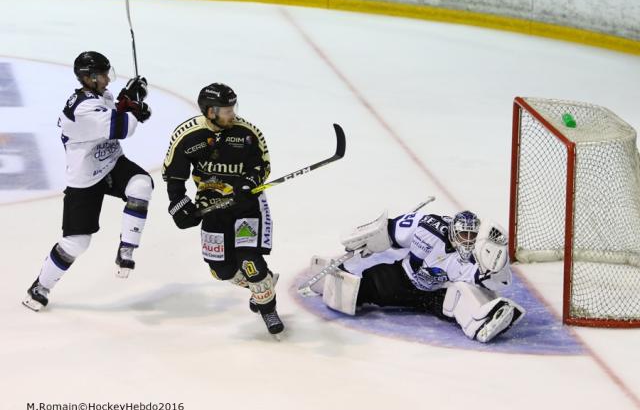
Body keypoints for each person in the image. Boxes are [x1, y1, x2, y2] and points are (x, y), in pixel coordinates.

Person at [22, 51, 153, 312]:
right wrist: (135, 109)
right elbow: (122, 128)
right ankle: (40, 287)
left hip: (112, 163)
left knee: (141, 183)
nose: (107, 79)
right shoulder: (83, 108)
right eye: (103, 75)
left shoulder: (99, 96)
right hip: (85, 178)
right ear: (88, 78)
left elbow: (116, 113)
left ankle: (126, 249)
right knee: (76, 242)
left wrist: (128, 99)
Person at [162, 83, 283, 336]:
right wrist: (177, 202)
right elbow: (174, 175)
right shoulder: (188, 135)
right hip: (212, 208)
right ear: (210, 112)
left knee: (249, 260)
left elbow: (263, 166)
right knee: (222, 270)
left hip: (247, 205)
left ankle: (268, 308)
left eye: (233, 108)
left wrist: (249, 182)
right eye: (226, 110)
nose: (232, 114)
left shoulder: (247, 133)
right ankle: (264, 282)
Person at [308, 209, 525, 343]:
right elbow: (389, 230)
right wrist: (370, 238)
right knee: (360, 290)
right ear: (452, 232)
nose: (467, 241)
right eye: (463, 235)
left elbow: (496, 282)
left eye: (472, 236)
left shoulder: (474, 259)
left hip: (432, 295)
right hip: (401, 279)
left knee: (459, 297)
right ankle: (332, 280)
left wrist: (498, 263)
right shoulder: (427, 226)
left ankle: (482, 322)